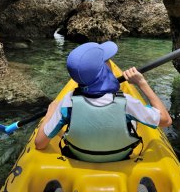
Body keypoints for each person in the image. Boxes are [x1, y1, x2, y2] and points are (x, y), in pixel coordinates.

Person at [35, 41, 172, 162]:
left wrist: (50, 112)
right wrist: (142, 83)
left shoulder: (68, 102)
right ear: (104, 71)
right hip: (120, 156)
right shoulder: (127, 103)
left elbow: (39, 143)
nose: (110, 62)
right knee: (135, 116)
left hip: (79, 155)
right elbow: (166, 121)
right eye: (107, 61)